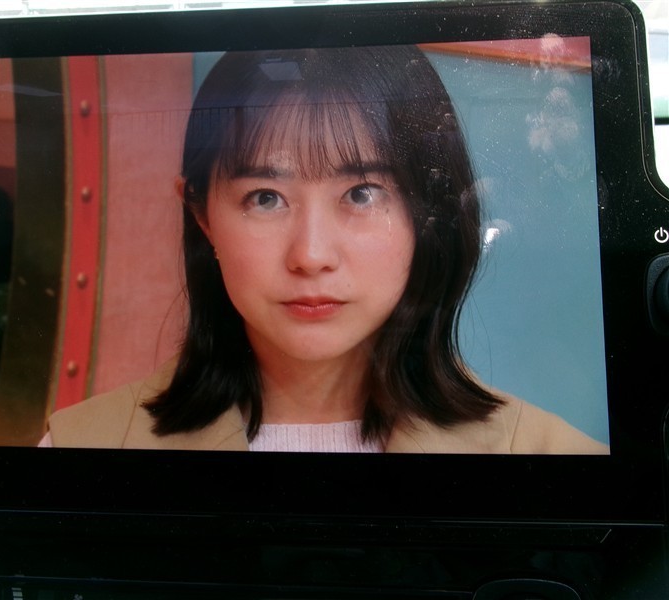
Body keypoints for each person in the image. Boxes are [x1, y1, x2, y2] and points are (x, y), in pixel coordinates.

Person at [41, 45, 608, 454]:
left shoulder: (558, 461)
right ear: (202, 216)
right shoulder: (79, 449)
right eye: (266, 198)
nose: (311, 256)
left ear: (427, 215)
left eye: (361, 193)